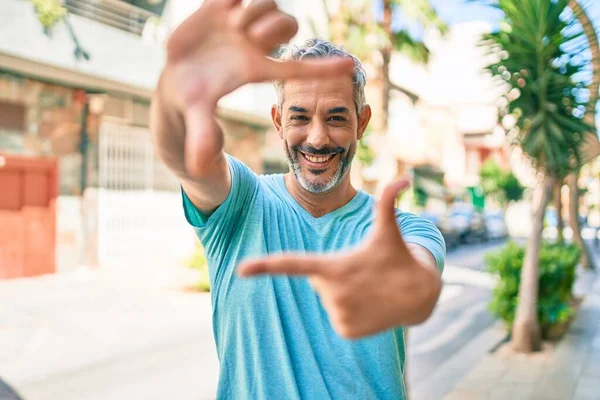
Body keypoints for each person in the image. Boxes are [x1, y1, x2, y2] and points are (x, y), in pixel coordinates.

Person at [151, 0, 445, 398]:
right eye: (300, 117)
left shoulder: (405, 230)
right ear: (278, 121)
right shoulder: (241, 204)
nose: (318, 138)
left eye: (337, 117)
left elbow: (417, 272)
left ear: (362, 122)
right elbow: (187, 159)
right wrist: (174, 98)